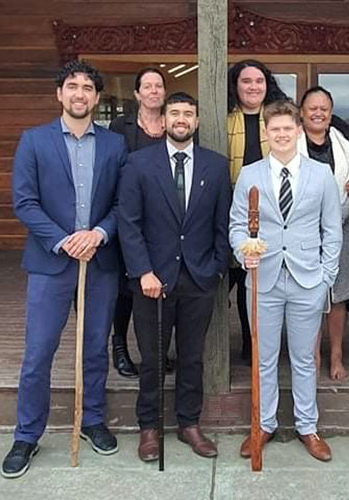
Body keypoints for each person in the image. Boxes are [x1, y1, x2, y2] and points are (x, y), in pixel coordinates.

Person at [2, 60, 127, 478]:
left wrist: (98, 234)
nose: (79, 94)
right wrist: (63, 239)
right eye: (72, 86)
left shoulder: (113, 146)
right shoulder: (34, 141)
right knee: (38, 353)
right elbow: (25, 201)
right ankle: (26, 434)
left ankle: (91, 420)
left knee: (94, 348)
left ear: (96, 97)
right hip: (50, 262)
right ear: (60, 94)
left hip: (99, 261)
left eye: (87, 87)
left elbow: (121, 204)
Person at [118, 92, 231, 462]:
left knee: (192, 357)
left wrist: (216, 267)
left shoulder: (215, 166)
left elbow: (221, 224)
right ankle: (149, 427)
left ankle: (189, 424)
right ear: (163, 120)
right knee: (151, 358)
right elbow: (129, 224)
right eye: (175, 113)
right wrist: (143, 271)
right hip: (152, 280)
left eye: (188, 113)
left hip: (198, 279)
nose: (181, 119)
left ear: (196, 121)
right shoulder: (138, 164)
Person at [230, 100, 342, 462]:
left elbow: (332, 229)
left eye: (287, 129)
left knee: (305, 358)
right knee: (263, 358)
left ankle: (307, 426)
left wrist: (326, 277)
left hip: (308, 278)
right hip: (262, 278)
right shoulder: (250, 175)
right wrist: (241, 252)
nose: (281, 134)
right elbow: (235, 225)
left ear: (298, 131)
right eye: (274, 129)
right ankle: (263, 424)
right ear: (266, 133)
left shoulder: (320, 174)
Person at [297, 86, 349, 381]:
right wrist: (315, 224)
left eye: (324, 108)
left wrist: (331, 221)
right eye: (312, 108)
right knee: (309, 296)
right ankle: (312, 353)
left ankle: (336, 354)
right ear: (301, 112)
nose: (318, 113)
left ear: (330, 113)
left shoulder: (346, 148)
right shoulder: (291, 145)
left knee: (336, 298)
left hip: (341, 231)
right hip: (303, 232)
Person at [226, 60, 288, 362]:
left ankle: (253, 345)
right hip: (228, 208)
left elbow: (324, 127)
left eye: (259, 81)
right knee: (229, 277)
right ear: (235, 85)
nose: (253, 86)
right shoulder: (223, 118)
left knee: (256, 278)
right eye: (246, 81)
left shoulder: (278, 118)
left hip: (271, 213)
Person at [108, 67, 167, 378]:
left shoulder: (175, 123)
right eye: (148, 86)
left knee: (160, 284)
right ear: (137, 94)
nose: (154, 90)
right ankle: (119, 346)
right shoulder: (121, 127)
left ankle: (154, 353)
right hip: (131, 216)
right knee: (126, 288)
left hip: (166, 221)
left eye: (159, 85)